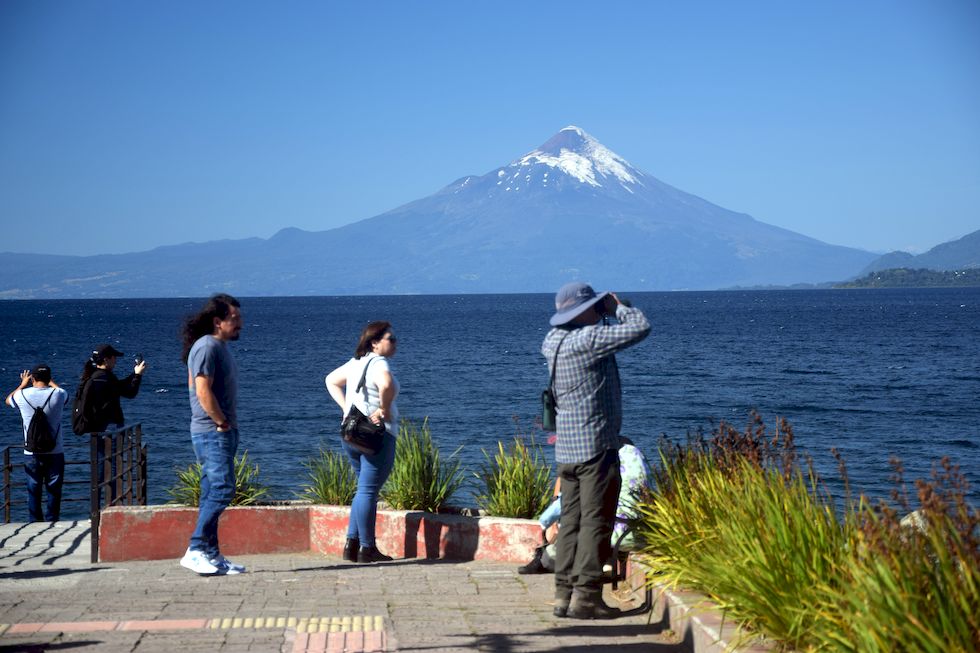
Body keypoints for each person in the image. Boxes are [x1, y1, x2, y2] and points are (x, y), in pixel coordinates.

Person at [542, 281, 650, 619]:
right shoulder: (589, 340)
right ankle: (587, 597)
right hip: (596, 447)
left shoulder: (553, 341)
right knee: (596, 520)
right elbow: (640, 328)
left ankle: (564, 594)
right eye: (595, 305)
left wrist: (596, 313)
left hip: (568, 450)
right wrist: (618, 309)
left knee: (571, 520)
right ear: (584, 310)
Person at [178, 293, 246, 576]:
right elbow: (201, 389)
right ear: (218, 321)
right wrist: (220, 422)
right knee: (221, 489)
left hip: (217, 431)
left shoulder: (216, 346)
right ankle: (195, 549)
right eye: (235, 319)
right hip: (212, 431)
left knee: (210, 491)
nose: (240, 324)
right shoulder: (206, 347)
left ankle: (211, 553)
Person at [518, 436, 651, 575]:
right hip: (638, 535)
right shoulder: (636, 456)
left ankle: (544, 560)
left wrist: (545, 522)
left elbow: (567, 502)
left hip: (608, 535)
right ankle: (606, 561)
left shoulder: (598, 460)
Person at [325, 321, 400, 564]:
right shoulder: (379, 362)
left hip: (352, 433)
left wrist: (346, 409)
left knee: (362, 489)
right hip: (376, 435)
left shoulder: (357, 361)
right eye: (391, 338)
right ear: (375, 342)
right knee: (368, 491)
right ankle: (367, 548)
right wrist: (384, 409)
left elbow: (331, 380)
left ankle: (352, 544)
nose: (395, 342)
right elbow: (386, 384)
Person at [5, 364, 69, 522]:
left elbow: (8, 400)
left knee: (33, 487)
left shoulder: (21, 395)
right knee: (54, 488)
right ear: (49, 378)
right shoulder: (59, 394)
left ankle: (35, 521)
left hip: (31, 452)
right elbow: (64, 395)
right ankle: (52, 519)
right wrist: (51, 382)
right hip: (55, 451)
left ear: (32, 378)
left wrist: (22, 384)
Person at [77, 344, 147, 433]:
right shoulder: (106, 379)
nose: (115, 361)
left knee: (100, 446)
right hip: (109, 426)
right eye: (114, 358)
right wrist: (138, 376)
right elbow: (130, 393)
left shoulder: (95, 376)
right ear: (106, 359)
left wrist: (135, 374)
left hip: (98, 425)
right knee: (111, 447)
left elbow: (119, 385)